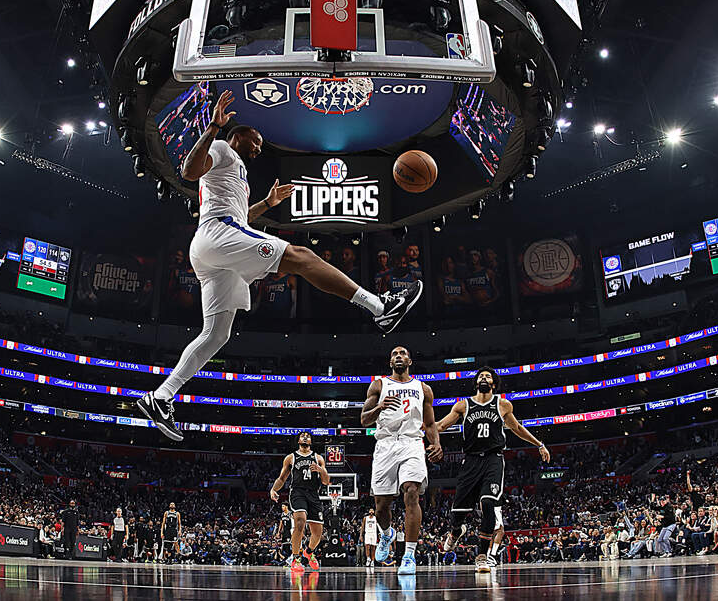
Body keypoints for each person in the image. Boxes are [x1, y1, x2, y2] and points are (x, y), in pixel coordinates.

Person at [135, 91, 423, 441]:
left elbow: (239, 216)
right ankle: (380, 306)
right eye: (254, 141)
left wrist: (266, 203)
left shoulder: (236, 173)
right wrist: (212, 127)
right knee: (303, 257)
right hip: (217, 235)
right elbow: (188, 171)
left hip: (214, 243)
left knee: (216, 334)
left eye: (259, 146)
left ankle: (160, 396)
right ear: (236, 136)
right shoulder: (223, 149)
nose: (258, 149)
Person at [434, 367, 550, 572]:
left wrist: (539, 444)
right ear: (476, 383)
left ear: (494, 384)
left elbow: (517, 428)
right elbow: (441, 425)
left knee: (488, 503)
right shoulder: (463, 405)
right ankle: (455, 532)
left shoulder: (502, 404)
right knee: (458, 514)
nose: (484, 378)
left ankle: (482, 556)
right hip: (470, 461)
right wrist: (419, 431)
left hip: (493, 460)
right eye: (481, 376)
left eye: (488, 376)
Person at [360, 345, 442, 576]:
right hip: (386, 444)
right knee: (381, 507)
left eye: (402, 353)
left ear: (410, 360)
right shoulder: (378, 385)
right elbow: (364, 420)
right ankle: (387, 534)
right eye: (394, 354)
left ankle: (409, 555)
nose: (398, 356)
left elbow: (430, 423)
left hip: (412, 442)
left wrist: (436, 443)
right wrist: (379, 407)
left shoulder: (423, 389)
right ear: (390, 362)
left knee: (412, 491)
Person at [270, 431, 330, 573]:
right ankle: (295, 558)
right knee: (300, 522)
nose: (305, 437)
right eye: (302, 435)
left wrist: (321, 470)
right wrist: (273, 489)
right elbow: (282, 478)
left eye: (308, 436)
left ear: (311, 441)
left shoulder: (318, 458)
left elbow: (326, 481)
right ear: (298, 440)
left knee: (318, 534)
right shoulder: (291, 458)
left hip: (314, 494)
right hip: (297, 492)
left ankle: (308, 552)